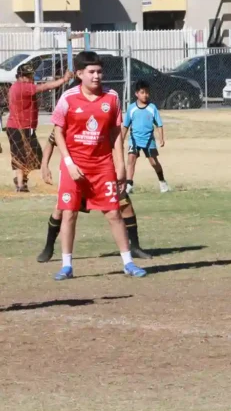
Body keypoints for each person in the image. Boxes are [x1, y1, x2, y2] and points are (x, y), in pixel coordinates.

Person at [50, 51, 146, 281]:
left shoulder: (111, 97)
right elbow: (58, 131)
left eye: (99, 72)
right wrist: (69, 163)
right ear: (79, 74)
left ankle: (128, 263)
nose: (96, 76)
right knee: (69, 213)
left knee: (114, 213)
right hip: (74, 166)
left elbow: (115, 133)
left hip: (103, 166)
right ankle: (66, 266)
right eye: (91, 72)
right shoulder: (68, 98)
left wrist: (120, 165)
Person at [37, 131, 152, 262]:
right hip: (78, 174)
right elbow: (51, 141)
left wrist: (119, 169)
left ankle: (135, 247)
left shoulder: (103, 123)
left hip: (101, 173)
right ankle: (48, 247)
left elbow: (115, 144)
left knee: (125, 204)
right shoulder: (69, 122)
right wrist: (44, 165)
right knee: (61, 210)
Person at [6, 63, 72, 192]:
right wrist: (64, 80)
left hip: (23, 127)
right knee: (21, 156)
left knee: (34, 156)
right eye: (28, 75)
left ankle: (21, 180)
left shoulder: (17, 86)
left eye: (31, 75)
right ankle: (20, 184)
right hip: (19, 128)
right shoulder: (23, 87)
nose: (31, 78)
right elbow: (45, 87)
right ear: (20, 77)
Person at [122, 80, 168, 194]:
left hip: (148, 141)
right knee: (131, 159)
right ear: (136, 94)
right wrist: (121, 139)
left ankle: (162, 181)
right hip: (134, 140)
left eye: (147, 92)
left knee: (154, 162)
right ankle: (129, 185)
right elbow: (126, 125)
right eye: (142, 92)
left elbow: (159, 124)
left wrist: (161, 138)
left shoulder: (152, 108)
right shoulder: (131, 108)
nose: (145, 95)